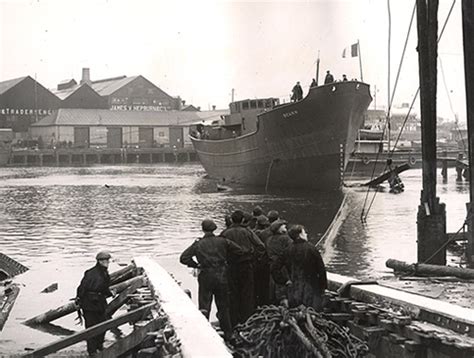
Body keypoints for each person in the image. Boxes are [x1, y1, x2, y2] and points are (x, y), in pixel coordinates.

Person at [180, 219, 244, 340]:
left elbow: (184, 258)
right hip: (222, 275)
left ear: (203, 229)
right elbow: (239, 251)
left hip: (206, 276)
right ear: (214, 229)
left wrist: (196, 265)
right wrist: (226, 260)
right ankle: (228, 335)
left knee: (205, 306)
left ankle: (203, 335)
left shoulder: (198, 243)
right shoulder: (223, 241)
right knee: (224, 306)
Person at [221, 210, 265, 326]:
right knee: (247, 293)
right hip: (246, 265)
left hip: (231, 266)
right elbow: (261, 246)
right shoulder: (247, 232)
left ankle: (234, 321)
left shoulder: (225, 233)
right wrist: (254, 258)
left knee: (233, 293)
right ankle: (247, 321)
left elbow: (220, 247)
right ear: (242, 220)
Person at [272, 225, 327, 310]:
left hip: (293, 289)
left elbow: (275, 268)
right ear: (300, 235)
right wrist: (323, 287)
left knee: (295, 314)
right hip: (311, 289)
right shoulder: (312, 249)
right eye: (304, 232)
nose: (306, 234)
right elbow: (321, 269)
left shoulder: (287, 250)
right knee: (311, 313)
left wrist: (284, 280)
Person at [76, 251, 114, 356]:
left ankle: (96, 347)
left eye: (108, 260)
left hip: (94, 303)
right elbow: (101, 288)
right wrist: (110, 293)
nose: (107, 262)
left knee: (98, 325)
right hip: (93, 304)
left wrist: (79, 299)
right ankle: (93, 350)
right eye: (105, 260)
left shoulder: (95, 272)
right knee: (95, 327)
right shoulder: (99, 274)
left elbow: (81, 288)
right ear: (99, 261)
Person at [266, 220, 292, 304]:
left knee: (273, 288)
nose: (285, 227)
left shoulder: (269, 239)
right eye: (283, 226)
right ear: (279, 229)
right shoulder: (286, 238)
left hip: (272, 266)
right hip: (283, 267)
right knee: (284, 288)